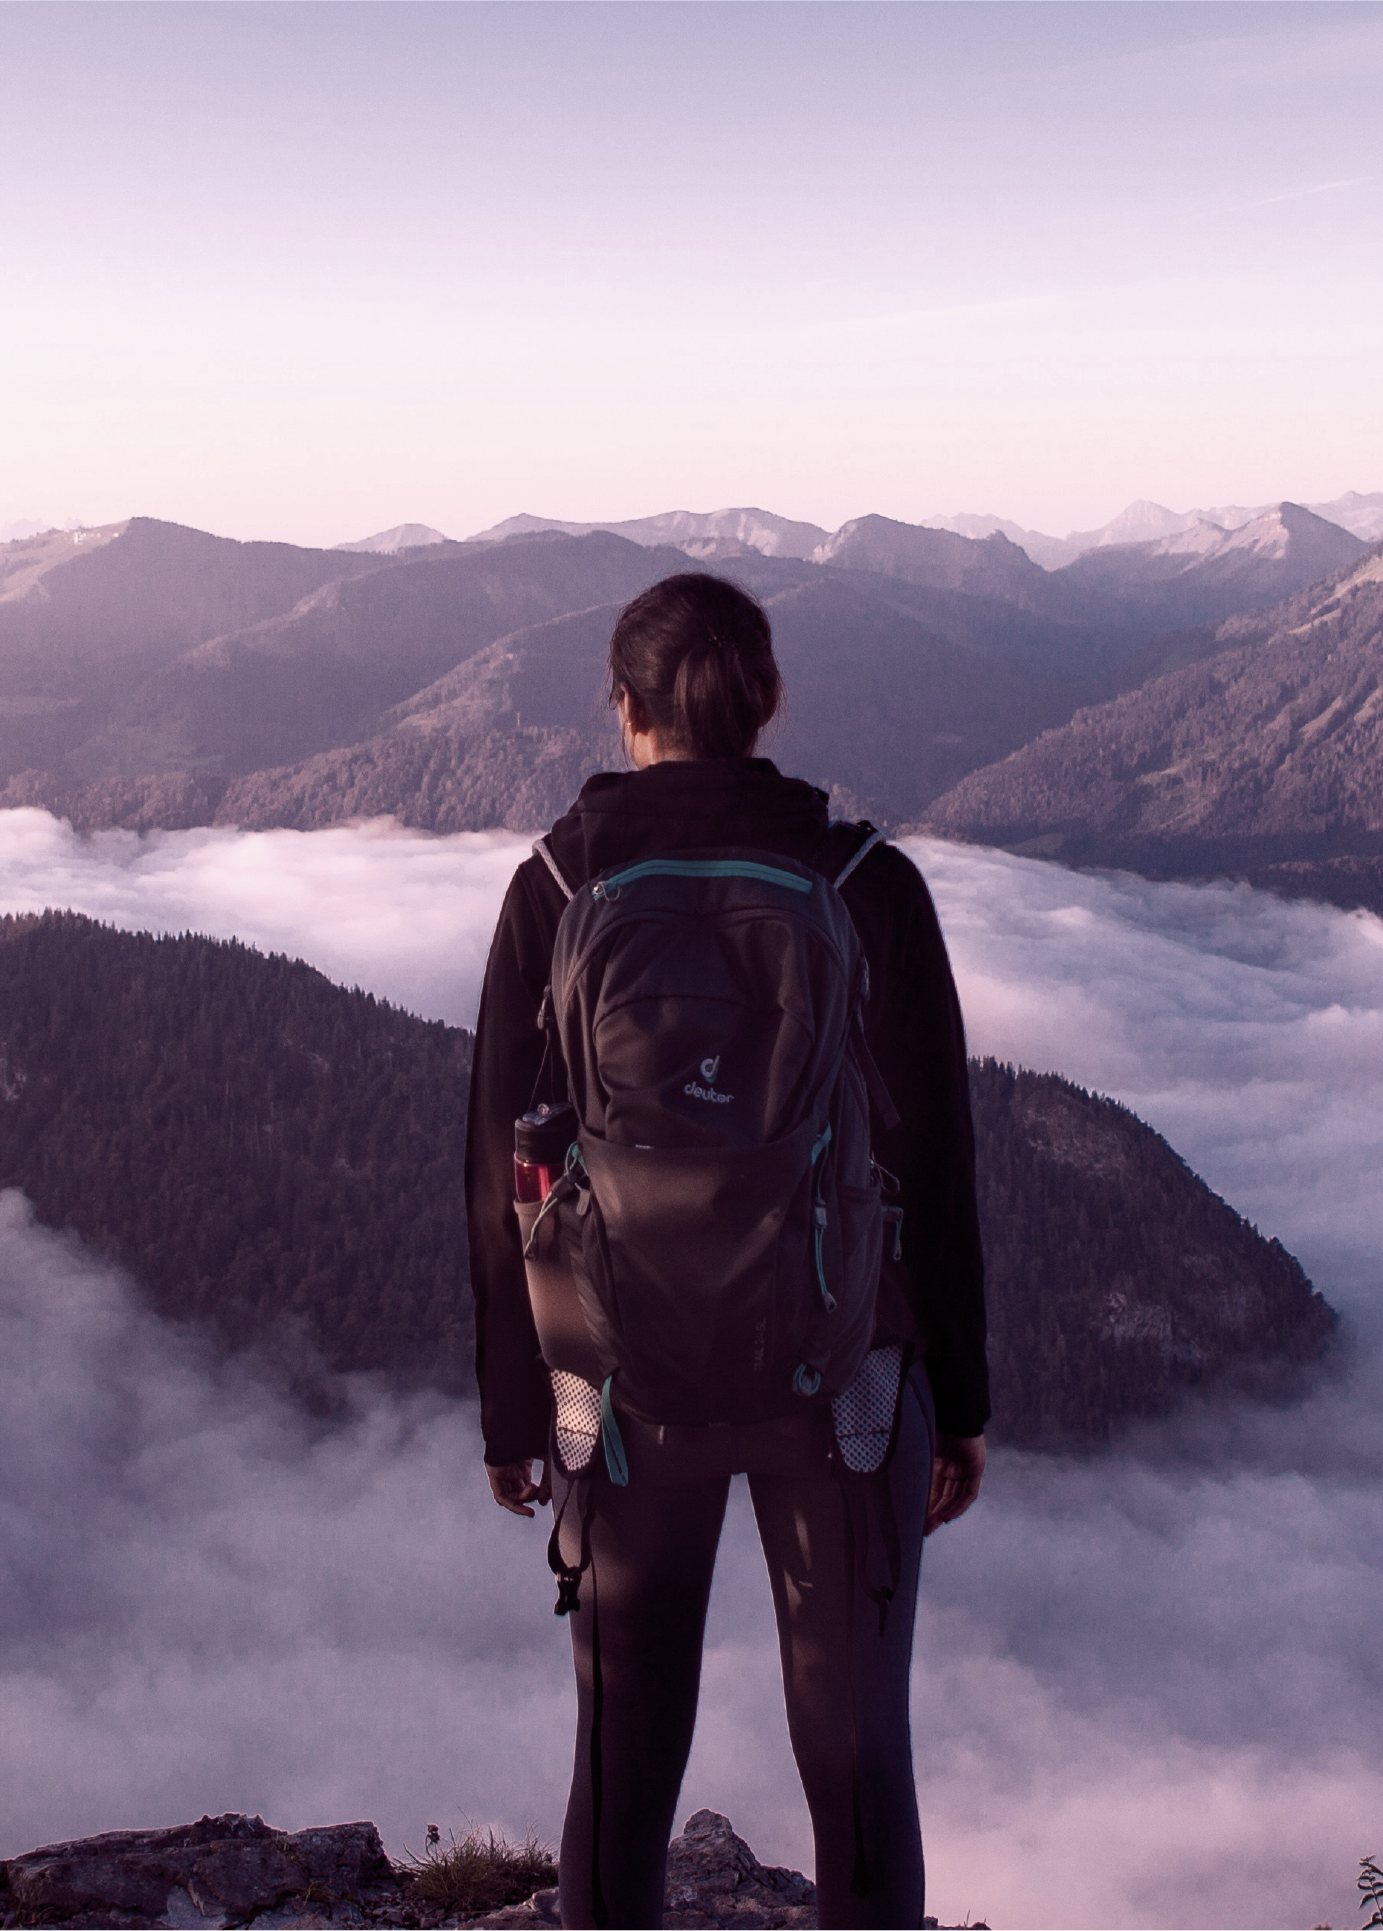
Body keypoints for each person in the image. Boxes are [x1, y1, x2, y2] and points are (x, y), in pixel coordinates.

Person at [465, 572, 988, 1930]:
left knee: (620, 1749)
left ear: (621, 706)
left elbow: (497, 1163)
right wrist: (964, 1401)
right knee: (857, 1744)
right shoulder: (866, 882)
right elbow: (932, 1159)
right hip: (847, 1385)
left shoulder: (557, 881)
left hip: (621, 1387)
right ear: (768, 703)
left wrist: (514, 1407)